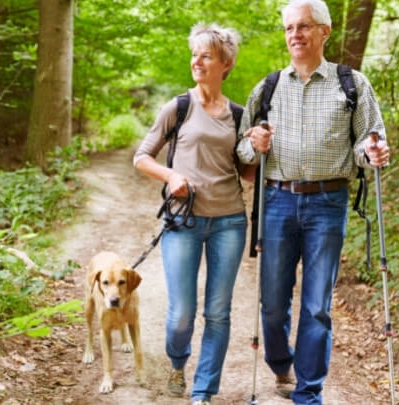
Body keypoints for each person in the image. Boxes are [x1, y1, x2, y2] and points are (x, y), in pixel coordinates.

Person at [236, 0, 390, 404]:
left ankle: (308, 391)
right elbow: (242, 150)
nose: (295, 35)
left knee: (318, 305)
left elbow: (369, 140)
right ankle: (280, 363)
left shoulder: (351, 83)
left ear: (325, 31)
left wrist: (374, 154)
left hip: (328, 202)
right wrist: (254, 144)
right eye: (289, 28)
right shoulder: (268, 87)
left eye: (304, 26)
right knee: (272, 305)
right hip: (277, 202)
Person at [133, 23, 247, 405]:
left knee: (218, 311)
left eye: (206, 55)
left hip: (229, 221)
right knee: (182, 312)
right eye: (194, 54)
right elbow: (142, 157)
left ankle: (203, 390)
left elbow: (246, 172)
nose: (196, 61)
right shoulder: (178, 107)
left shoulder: (237, 114)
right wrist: (171, 175)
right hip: (182, 221)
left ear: (225, 63)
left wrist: (263, 147)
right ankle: (178, 363)